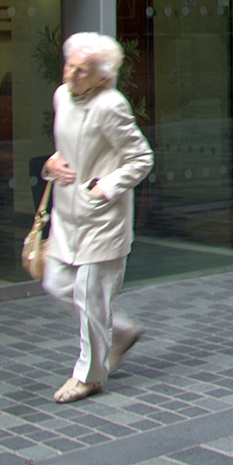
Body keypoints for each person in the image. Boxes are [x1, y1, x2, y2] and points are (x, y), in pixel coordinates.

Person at [40, 32, 155, 404]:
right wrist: (52, 163)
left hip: (101, 217)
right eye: (70, 64)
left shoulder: (111, 105)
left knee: (91, 297)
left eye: (82, 69)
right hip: (66, 215)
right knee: (57, 282)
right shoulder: (61, 97)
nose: (71, 73)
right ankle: (120, 330)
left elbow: (141, 158)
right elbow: (66, 146)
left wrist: (103, 187)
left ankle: (88, 376)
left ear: (102, 76)